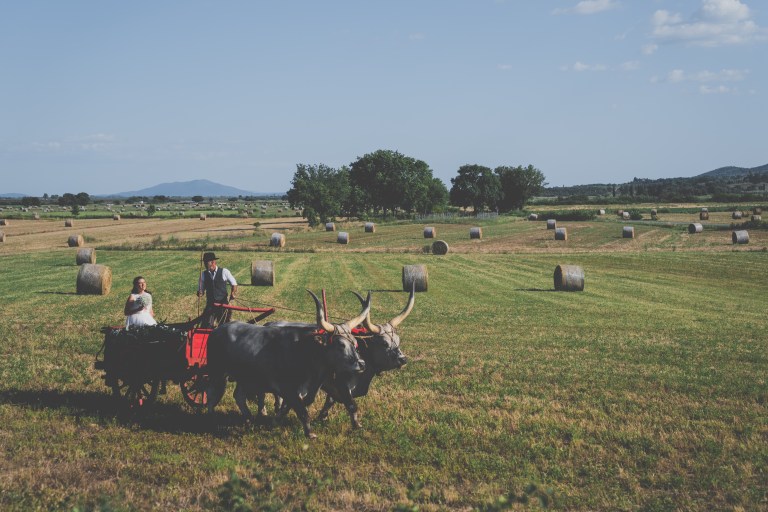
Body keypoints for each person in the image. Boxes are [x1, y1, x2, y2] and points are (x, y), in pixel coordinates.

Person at [197, 252, 238, 328]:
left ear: (213, 262)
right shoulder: (203, 274)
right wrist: (200, 292)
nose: (205, 265)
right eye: (204, 263)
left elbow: (234, 284)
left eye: (206, 263)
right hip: (210, 305)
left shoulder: (224, 271)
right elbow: (200, 289)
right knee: (206, 326)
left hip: (223, 305)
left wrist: (233, 293)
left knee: (224, 327)